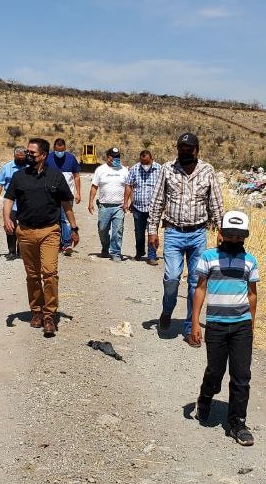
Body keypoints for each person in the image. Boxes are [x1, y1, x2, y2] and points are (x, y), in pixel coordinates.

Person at [188, 210, 258, 446]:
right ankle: (206, 397)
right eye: (231, 236)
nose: (235, 241)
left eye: (240, 237)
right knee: (215, 372)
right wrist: (195, 322)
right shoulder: (208, 257)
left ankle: (237, 422)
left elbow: (252, 295)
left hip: (241, 327)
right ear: (221, 234)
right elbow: (200, 289)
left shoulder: (250, 261)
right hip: (216, 326)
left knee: (241, 376)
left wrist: (251, 324)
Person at [146, 132, 223, 336]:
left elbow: (215, 202)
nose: (186, 152)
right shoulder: (167, 169)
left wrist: (221, 229)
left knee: (195, 282)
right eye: (182, 149)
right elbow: (157, 201)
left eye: (190, 149)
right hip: (173, 232)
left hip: (198, 233)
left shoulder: (207, 170)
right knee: (171, 278)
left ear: (197, 150)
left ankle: (191, 327)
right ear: (177, 149)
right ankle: (167, 310)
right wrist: (152, 231)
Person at [3, 138, 80, 337]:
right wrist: (6, 218)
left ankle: (49, 315)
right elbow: (9, 199)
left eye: (32, 153)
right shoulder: (19, 176)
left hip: (49, 232)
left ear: (44, 155)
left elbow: (66, 204)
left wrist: (73, 227)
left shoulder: (55, 176)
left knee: (50, 272)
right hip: (26, 232)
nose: (28, 156)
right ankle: (36, 312)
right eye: (27, 152)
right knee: (33, 275)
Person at [89, 147, 129, 261]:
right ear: (108, 157)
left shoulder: (124, 171)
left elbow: (128, 187)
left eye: (118, 157)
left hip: (119, 206)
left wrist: (128, 202)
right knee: (102, 229)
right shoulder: (100, 170)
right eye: (114, 157)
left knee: (117, 230)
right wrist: (90, 202)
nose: (117, 159)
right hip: (104, 206)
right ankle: (105, 248)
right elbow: (94, 186)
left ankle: (116, 252)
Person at [122, 149, 161, 266]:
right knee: (139, 233)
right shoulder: (135, 168)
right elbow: (129, 185)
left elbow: (164, 187)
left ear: (152, 160)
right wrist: (125, 202)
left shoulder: (159, 169)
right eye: (143, 163)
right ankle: (139, 253)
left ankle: (152, 256)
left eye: (147, 163)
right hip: (138, 207)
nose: (145, 165)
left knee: (152, 231)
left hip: (154, 208)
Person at [47, 138, 82, 256]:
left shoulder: (71, 158)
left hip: (67, 195)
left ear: (65, 149)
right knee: (53, 219)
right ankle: (55, 243)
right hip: (51, 195)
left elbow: (76, 176)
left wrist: (78, 192)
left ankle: (67, 244)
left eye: (62, 150)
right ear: (54, 148)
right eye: (57, 150)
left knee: (66, 219)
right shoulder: (48, 158)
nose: (59, 152)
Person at [0, 147, 27, 261]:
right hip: (10, 202)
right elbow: (0, 183)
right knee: (10, 226)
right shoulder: (7, 167)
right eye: (19, 159)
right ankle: (12, 251)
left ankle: (21, 251)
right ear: (14, 156)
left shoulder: (30, 167)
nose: (21, 161)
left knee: (24, 227)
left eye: (23, 159)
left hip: (25, 202)